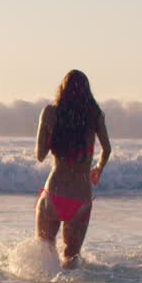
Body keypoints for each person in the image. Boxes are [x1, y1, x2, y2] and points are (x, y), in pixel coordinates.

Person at [35, 69, 112, 269]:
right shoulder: (95, 115)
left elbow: (40, 155)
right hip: (81, 197)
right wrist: (98, 169)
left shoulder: (50, 112)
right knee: (71, 258)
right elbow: (107, 148)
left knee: (45, 253)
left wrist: (50, 135)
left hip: (54, 192)